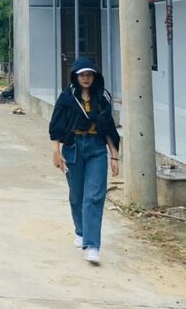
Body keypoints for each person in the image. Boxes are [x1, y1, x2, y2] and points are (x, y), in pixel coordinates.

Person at [49, 57, 120, 265]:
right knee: (77, 195)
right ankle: (80, 231)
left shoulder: (102, 98)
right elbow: (56, 125)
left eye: (89, 74)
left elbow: (108, 128)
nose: (86, 78)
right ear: (75, 76)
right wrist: (56, 151)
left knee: (94, 196)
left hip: (97, 148)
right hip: (73, 148)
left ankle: (92, 245)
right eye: (82, 75)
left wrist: (114, 155)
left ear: (95, 77)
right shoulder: (67, 98)